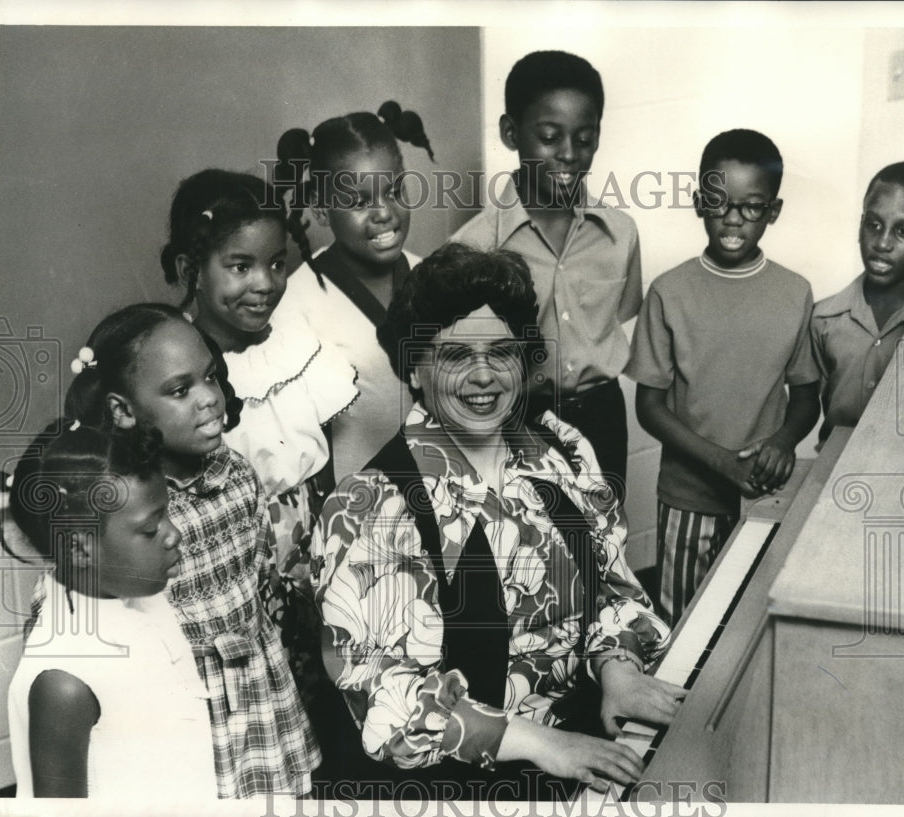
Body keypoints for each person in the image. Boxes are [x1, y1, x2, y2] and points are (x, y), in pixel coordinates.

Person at [313, 243, 683, 801]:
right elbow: (388, 701)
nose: (483, 376)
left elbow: (613, 586)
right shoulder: (370, 506)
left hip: (589, 745)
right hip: (464, 787)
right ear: (414, 367)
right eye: (456, 356)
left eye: (502, 352)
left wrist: (618, 670)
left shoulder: (563, 451)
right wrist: (542, 743)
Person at [64, 304, 318, 797]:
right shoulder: (121, 509)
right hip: (178, 706)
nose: (209, 399)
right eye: (181, 390)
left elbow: (255, 576)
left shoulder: (238, 474)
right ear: (123, 410)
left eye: (210, 378)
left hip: (258, 695)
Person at [161, 168, 359, 711]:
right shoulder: (172, 364)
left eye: (276, 264)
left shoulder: (296, 347)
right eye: (240, 266)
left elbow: (321, 466)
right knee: (248, 707)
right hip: (223, 571)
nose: (265, 283)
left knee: (320, 702)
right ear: (191, 270)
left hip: (310, 556)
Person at [625, 129, 820, 626]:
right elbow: (649, 406)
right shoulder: (669, 293)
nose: (733, 218)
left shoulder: (795, 293)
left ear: (773, 211)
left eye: (752, 207)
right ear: (698, 203)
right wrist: (720, 463)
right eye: (719, 202)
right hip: (688, 498)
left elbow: (806, 397)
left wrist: (782, 441)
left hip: (766, 495)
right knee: (683, 626)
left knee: (750, 623)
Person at [451, 50, 643, 503]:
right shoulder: (472, 247)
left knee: (602, 550)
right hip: (516, 423)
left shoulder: (620, 233)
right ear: (511, 133)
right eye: (550, 137)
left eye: (585, 138)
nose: (570, 154)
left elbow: (622, 313)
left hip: (603, 419)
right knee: (526, 559)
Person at [6, 420, 217, 800]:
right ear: (80, 549)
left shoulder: (143, 599)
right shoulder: (64, 679)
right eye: (152, 529)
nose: (175, 534)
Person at [272, 101, 434, 484]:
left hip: (446, 501)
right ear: (322, 209)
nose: (384, 213)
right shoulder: (297, 304)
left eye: (395, 190)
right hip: (357, 514)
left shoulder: (433, 276)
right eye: (360, 202)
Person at [811, 161, 904, 444]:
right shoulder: (823, 318)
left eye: (903, 231)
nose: (882, 243)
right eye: (874, 225)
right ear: (861, 226)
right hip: (834, 474)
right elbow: (805, 404)